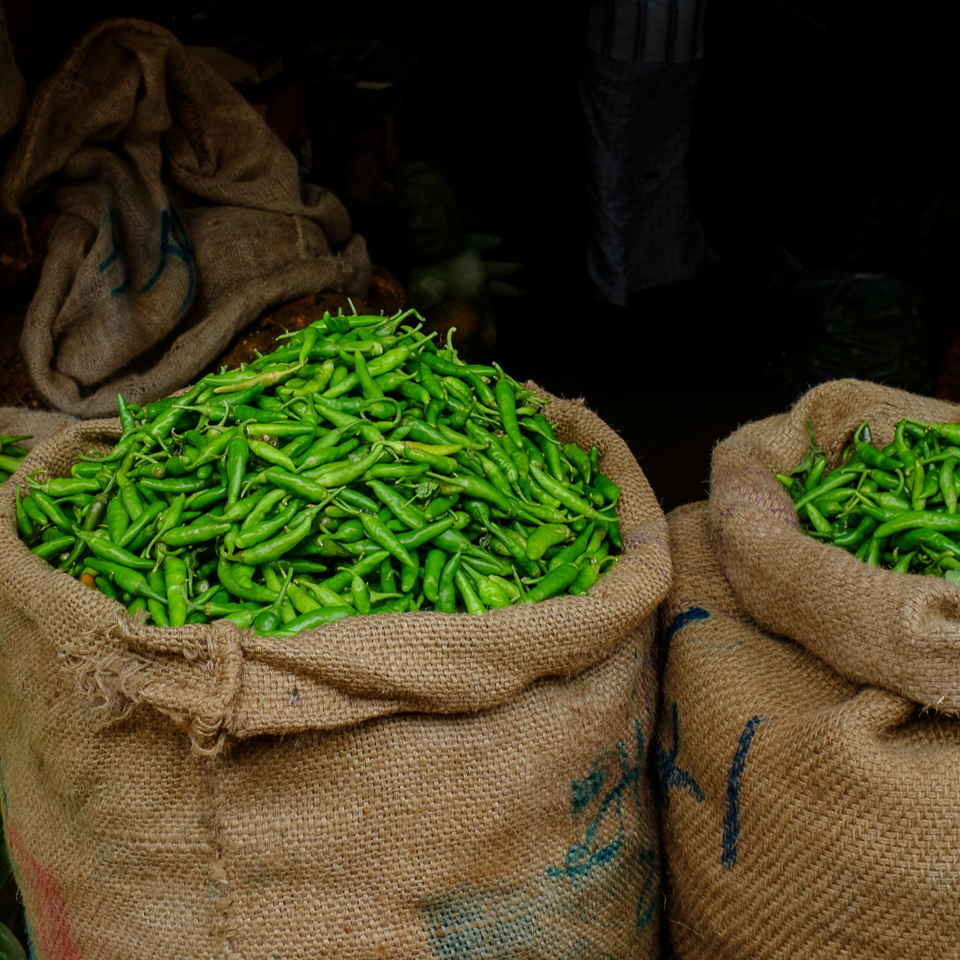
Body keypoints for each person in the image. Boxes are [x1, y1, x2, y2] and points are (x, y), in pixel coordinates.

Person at [579, 0, 714, 308]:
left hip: (619, 39)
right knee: (666, 157)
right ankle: (672, 264)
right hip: (685, 40)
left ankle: (612, 283)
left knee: (609, 165)